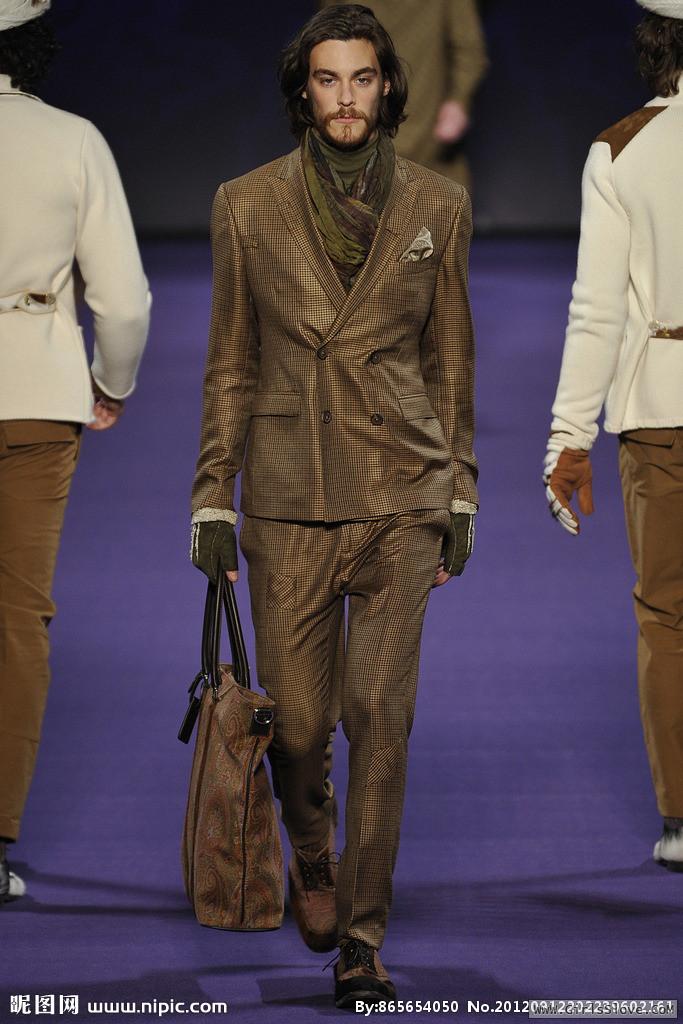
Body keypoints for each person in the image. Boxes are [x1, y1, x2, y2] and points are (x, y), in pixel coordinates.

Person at [191, 4, 477, 1008]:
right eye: (327, 79)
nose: (346, 97)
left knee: (378, 719)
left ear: (386, 86)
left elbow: (450, 361)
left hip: (400, 490)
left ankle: (361, 937)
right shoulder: (245, 205)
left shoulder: (438, 204)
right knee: (301, 727)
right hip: (288, 495)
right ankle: (310, 844)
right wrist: (211, 496)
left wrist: (459, 488)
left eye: (361, 78)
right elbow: (230, 360)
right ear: (303, 91)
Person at [0, 0, 150, 902]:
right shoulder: (71, 139)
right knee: (16, 619)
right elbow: (122, 300)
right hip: (33, 396)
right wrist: (110, 383)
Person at [544, 0, 683, 872]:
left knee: (668, 615)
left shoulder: (622, 149)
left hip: (662, 408)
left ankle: (681, 818)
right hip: (659, 410)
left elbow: (596, 312)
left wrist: (569, 439)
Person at [321, 0, 489, 191]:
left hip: (427, 139)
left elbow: (469, 49)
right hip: (362, 142)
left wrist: (458, 102)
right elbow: (326, 45)